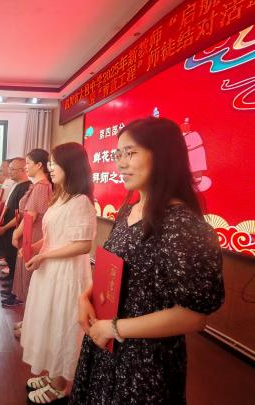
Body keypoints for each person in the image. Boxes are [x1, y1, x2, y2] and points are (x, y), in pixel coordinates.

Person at [70, 117, 224, 404]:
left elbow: (194, 316)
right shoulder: (127, 212)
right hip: (106, 343)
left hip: (145, 361)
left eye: (131, 153)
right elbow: (115, 269)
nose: (120, 163)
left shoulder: (183, 225)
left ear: (164, 156)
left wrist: (115, 328)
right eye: (118, 154)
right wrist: (85, 296)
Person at [19, 143, 96, 404]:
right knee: (49, 321)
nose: (50, 168)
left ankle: (60, 385)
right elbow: (54, 236)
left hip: (66, 273)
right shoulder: (61, 197)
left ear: (70, 166)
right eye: (50, 162)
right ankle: (52, 374)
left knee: (62, 325)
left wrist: (44, 255)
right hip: (50, 270)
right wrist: (34, 248)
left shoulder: (81, 201)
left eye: (54, 163)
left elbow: (82, 245)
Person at [5, 149, 52, 309]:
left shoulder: (41, 187)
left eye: (28, 163)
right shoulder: (39, 185)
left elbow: (30, 216)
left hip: (33, 234)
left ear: (39, 165)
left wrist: (15, 233)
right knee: (27, 273)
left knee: (29, 273)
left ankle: (30, 313)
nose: (26, 167)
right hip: (31, 232)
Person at [0, 158, 31, 300]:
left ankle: (14, 288)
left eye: (12, 169)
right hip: (7, 226)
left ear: (22, 170)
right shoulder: (16, 185)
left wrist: (5, 227)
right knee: (9, 256)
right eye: (9, 169)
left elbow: (21, 214)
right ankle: (11, 278)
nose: (9, 172)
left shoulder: (26, 187)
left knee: (14, 259)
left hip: (14, 228)